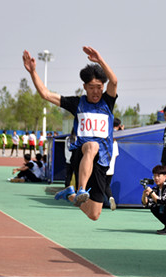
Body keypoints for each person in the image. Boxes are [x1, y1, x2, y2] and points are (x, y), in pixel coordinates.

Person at [24, 46, 118, 221]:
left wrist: (100, 60)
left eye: (99, 87)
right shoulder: (77, 103)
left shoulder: (107, 102)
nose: (96, 91)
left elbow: (114, 81)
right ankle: (81, 189)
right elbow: (45, 94)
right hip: (81, 152)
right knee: (92, 145)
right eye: (91, 87)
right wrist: (33, 72)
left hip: (102, 160)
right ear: (84, 87)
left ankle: (70, 195)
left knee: (94, 214)